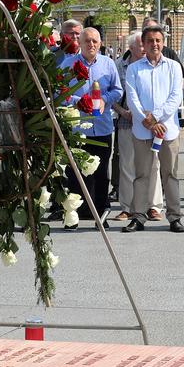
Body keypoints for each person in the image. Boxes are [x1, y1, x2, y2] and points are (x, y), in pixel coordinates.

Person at [122, 25, 184, 233]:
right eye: (150, 41)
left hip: (167, 130)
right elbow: (132, 99)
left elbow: (175, 97)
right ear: (143, 44)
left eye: (158, 40)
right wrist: (148, 121)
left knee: (170, 174)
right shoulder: (134, 69)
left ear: (163, 42)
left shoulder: (174, 66)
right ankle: (138, 217)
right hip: (142, 130)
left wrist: (156, 117)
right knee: (142, 174)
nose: (154, 44)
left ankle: (174, 217)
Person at [61, 27, 121, 226]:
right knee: (75, 174)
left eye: (95, 41)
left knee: (101, 174)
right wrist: (78, 101)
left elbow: (118, 91)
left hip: (102, 127)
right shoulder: (69, 64)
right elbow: (59, 92)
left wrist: (104, 99)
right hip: (77, 129)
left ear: (100, 43)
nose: (91, 44)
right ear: (80, 43)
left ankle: (100, 216)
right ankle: (73, 217)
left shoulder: (108, 64)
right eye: (87, 41)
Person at [112, 31, 144, 222]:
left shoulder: (152, 64)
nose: (144, 48)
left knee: (150, 166)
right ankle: (127, 207)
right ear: (131, 47)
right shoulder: (118, 66)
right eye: (140, 45)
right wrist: (122, 112)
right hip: (126, 121)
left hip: (148, 122)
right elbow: (112, 93)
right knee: (127, 166)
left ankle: (150, 206)